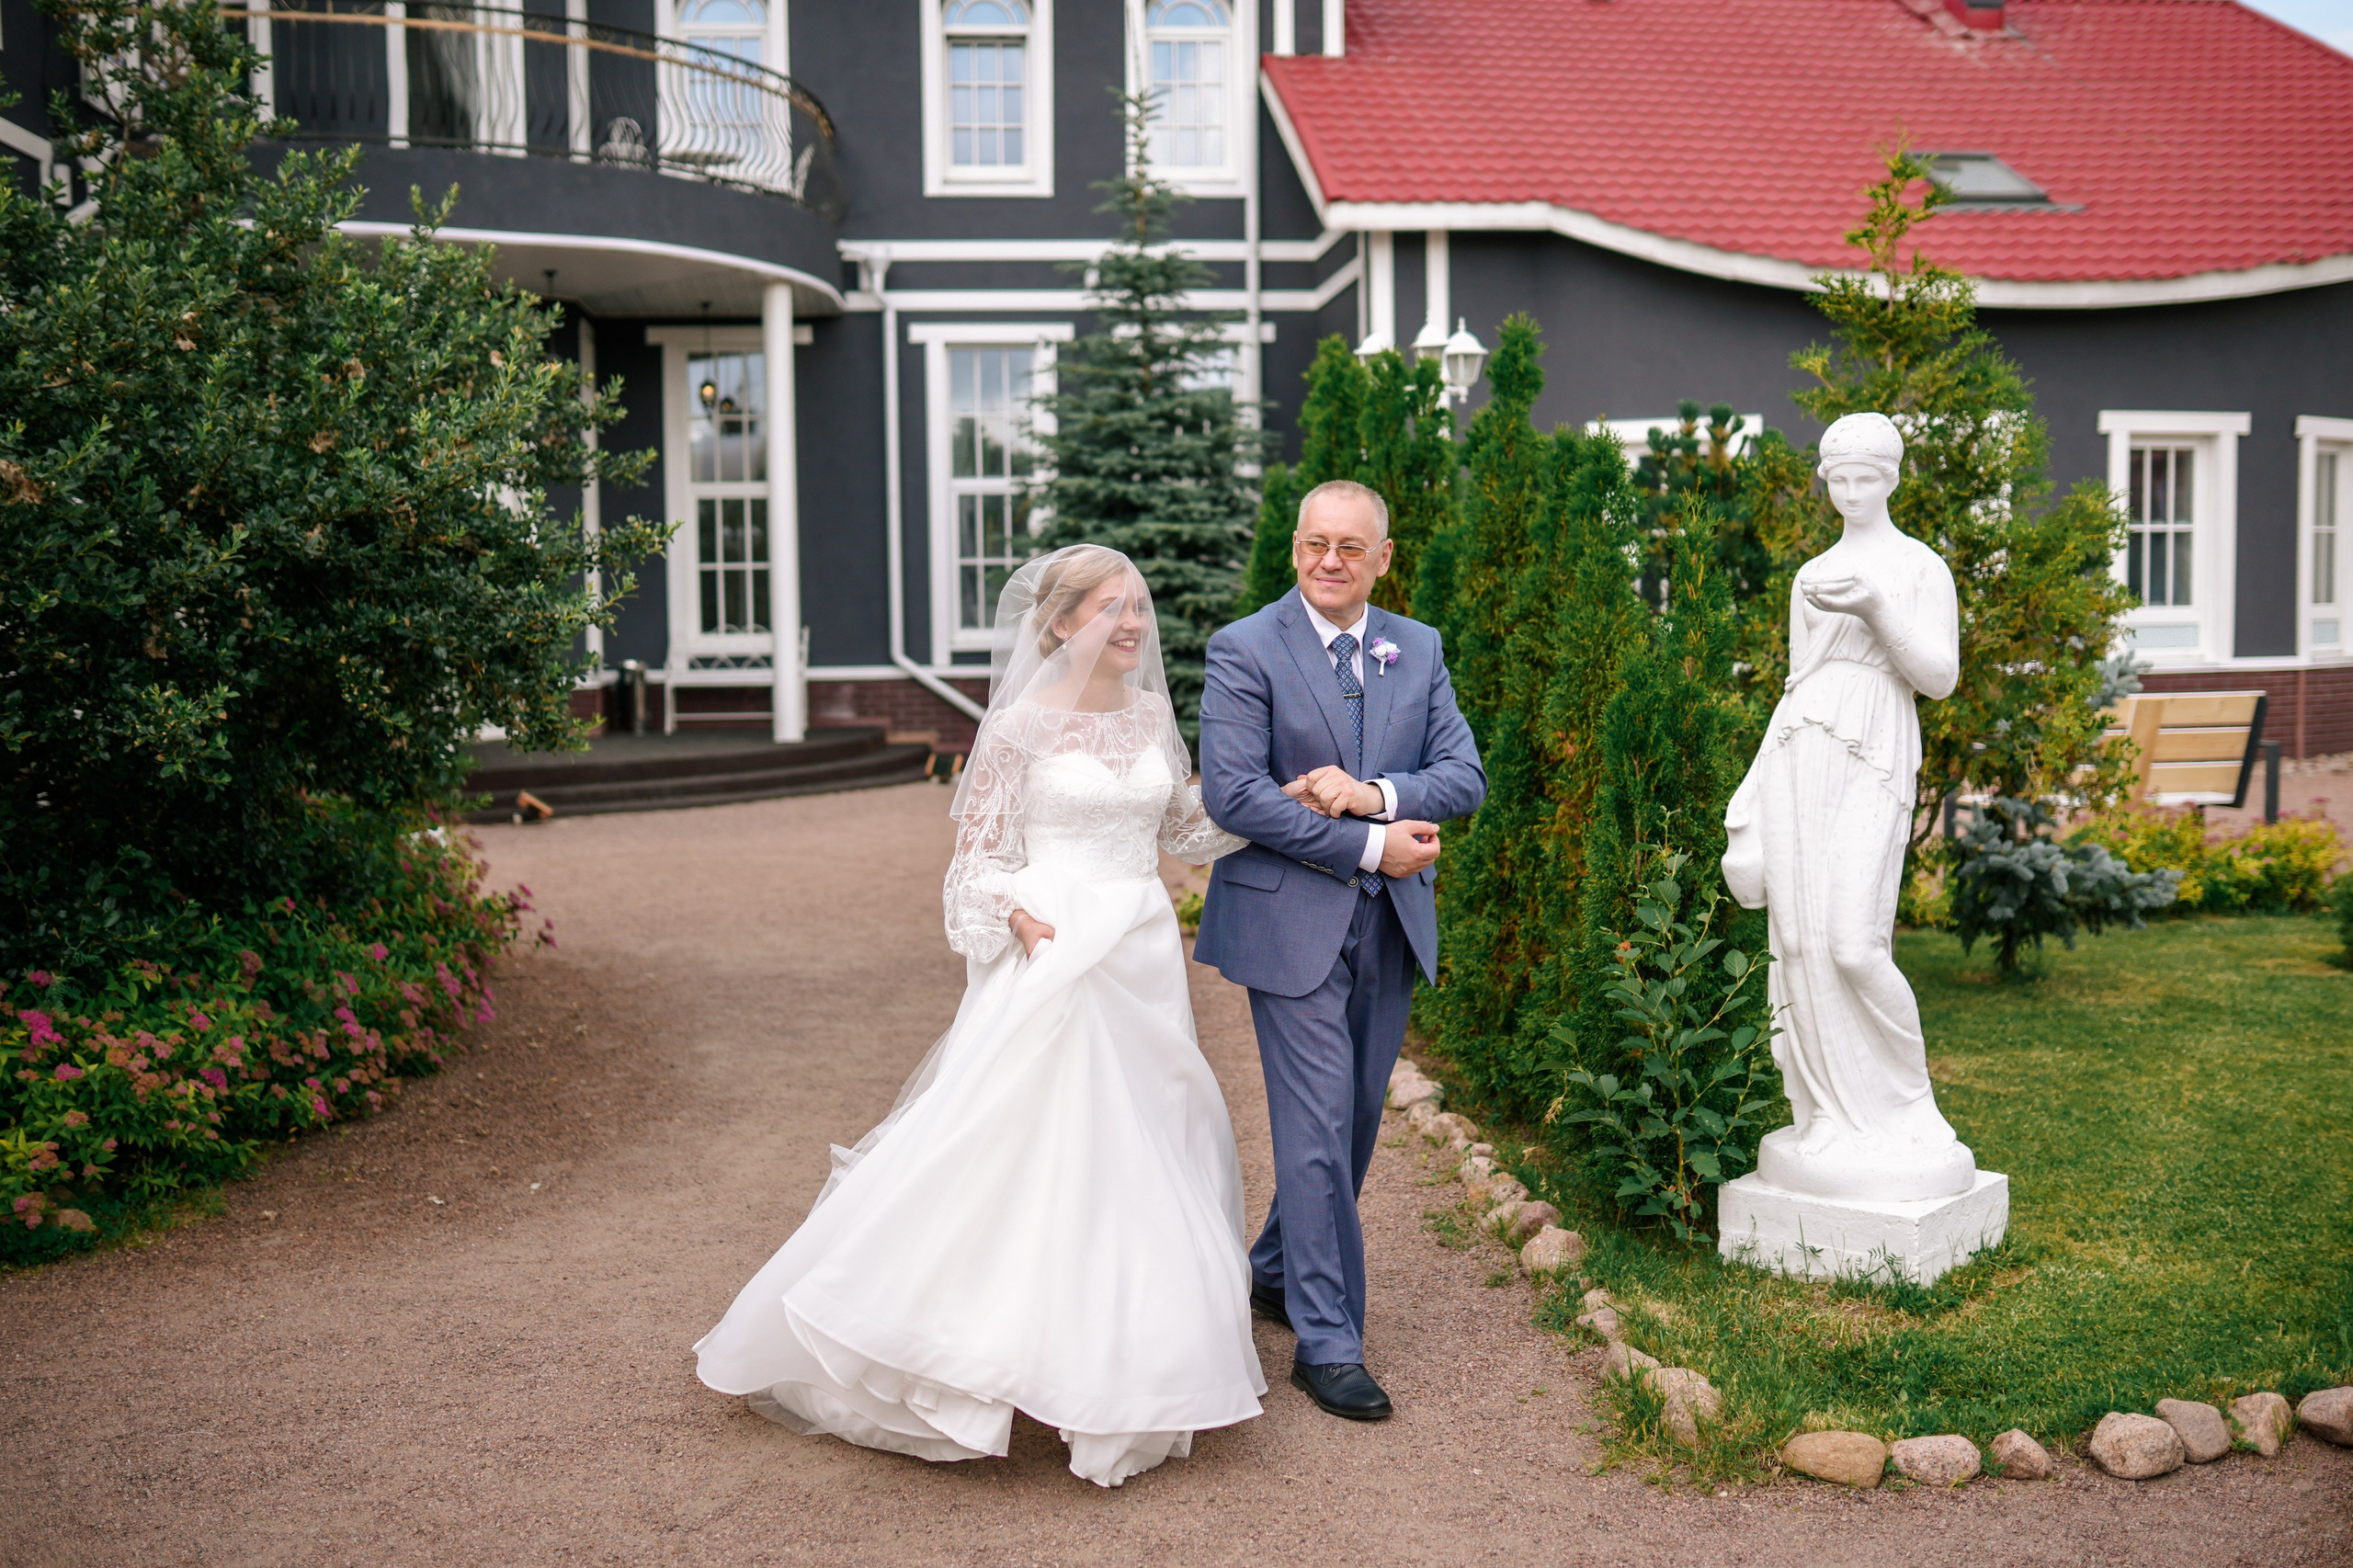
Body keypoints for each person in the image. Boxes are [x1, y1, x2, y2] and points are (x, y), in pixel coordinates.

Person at [693, 545, 1264, 1489]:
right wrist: (1020, 917)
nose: (1131, 625)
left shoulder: (1154, 713)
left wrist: (1274, 805)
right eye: (1110, 609)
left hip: (1141, 950)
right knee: (1030, 1150)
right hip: (1056, 951)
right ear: (1060, 622)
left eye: (1137, 609)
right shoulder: (1019, 727)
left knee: (1148, 1138)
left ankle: (1128, 1367)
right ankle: (970, 1353)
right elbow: (974, 868)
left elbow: (1182, 830)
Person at [1194, 480, 1487, 1422]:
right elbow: (1235, 795)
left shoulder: (1419, 646)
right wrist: (1370, 845)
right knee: (1316, 1123)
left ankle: (1276, 1268)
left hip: (1392, 920)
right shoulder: (1244, 647)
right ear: (1293, 548)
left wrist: (1371, 797)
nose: (1330, 559)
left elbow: (1463, 777)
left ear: (1381, 557)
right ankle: (1326, 1341)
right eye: (1315, 542)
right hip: (1288, 921)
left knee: (1356, 1117)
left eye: (1350, 547)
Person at [1722, 411, 1975, 1203]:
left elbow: (1937, 677)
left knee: (1853, 942)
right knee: (1798, 939)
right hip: (1805, 748)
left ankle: (1909, 1105)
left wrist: (1874, 608)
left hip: (1875, 746)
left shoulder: (1921, 568)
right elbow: (1798, 685)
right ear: (1825, 479)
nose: (1854, 492)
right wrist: (1753, 792)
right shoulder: (1809, 576)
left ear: (1894, 478)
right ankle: (1824, 1112)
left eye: (1869, 477)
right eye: (1840, 477)